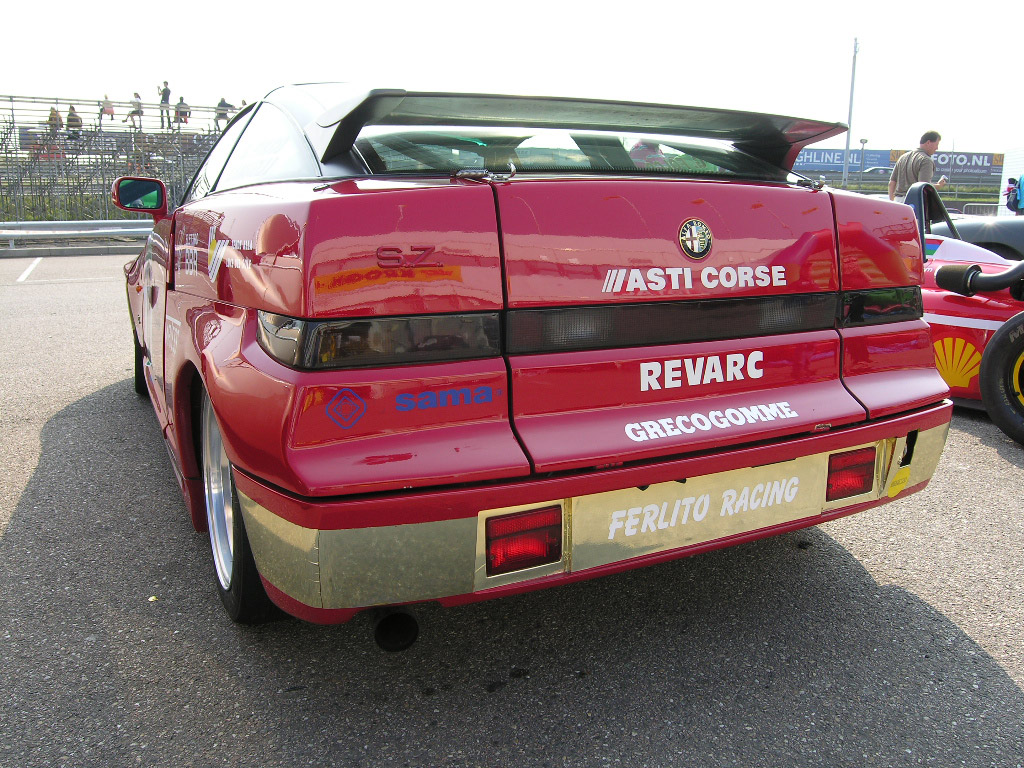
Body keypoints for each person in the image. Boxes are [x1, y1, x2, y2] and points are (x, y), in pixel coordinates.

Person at [888, 131, 948, 202]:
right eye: (936, 144)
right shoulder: (926, 160)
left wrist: (892, 201)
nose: (937, 148)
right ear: (928, 142)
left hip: (898, 201)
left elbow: (891, 183)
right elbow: (924, 187)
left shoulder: (902, 157)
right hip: (914, 202)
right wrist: (939, 185)